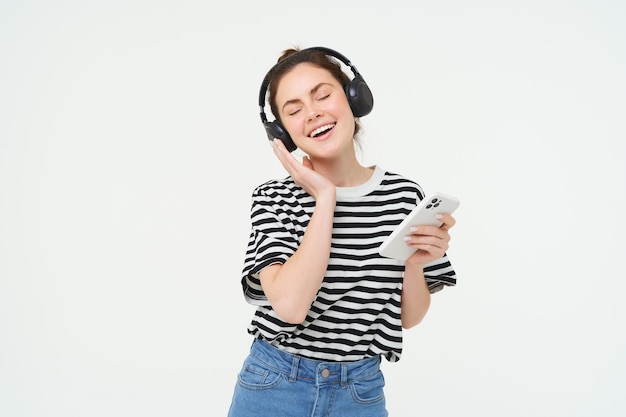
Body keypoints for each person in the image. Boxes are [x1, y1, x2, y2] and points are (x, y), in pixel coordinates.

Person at [227, 46, 458, 417]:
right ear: (281, 132)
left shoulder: (404, 197)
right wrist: (324, 197)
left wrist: (414, 265)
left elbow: (407, 319)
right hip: (275, 386)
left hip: (361, 390)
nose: (313, 112)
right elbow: (290, 306)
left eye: (323, 95)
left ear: (354, 98)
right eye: (294, 109)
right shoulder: (274, 199)